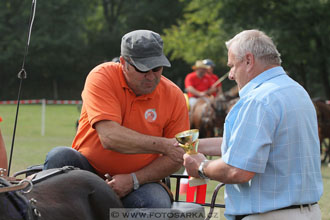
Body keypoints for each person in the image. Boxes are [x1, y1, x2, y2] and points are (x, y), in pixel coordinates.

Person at [183, 30, 323, 220]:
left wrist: (201, 167)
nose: (231, 75)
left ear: (248, 61)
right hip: (308, 212)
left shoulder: (258, 100)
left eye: (232, 66)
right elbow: (251, 144)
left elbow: (237, 170)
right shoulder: (297, 91)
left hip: (269, 215)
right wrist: (191, 144)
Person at [44, 30, 189, 209]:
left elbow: (178, 156)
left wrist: (134, 179)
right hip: (87, 171)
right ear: (123, 62)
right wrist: (164, 145)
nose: (151, 76)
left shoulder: (175, 95)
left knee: (156, 203)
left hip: (141, 181)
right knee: (59, 157)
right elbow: (110, 137)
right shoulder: (102, 76)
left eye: (157, 69)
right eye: (143, 69)